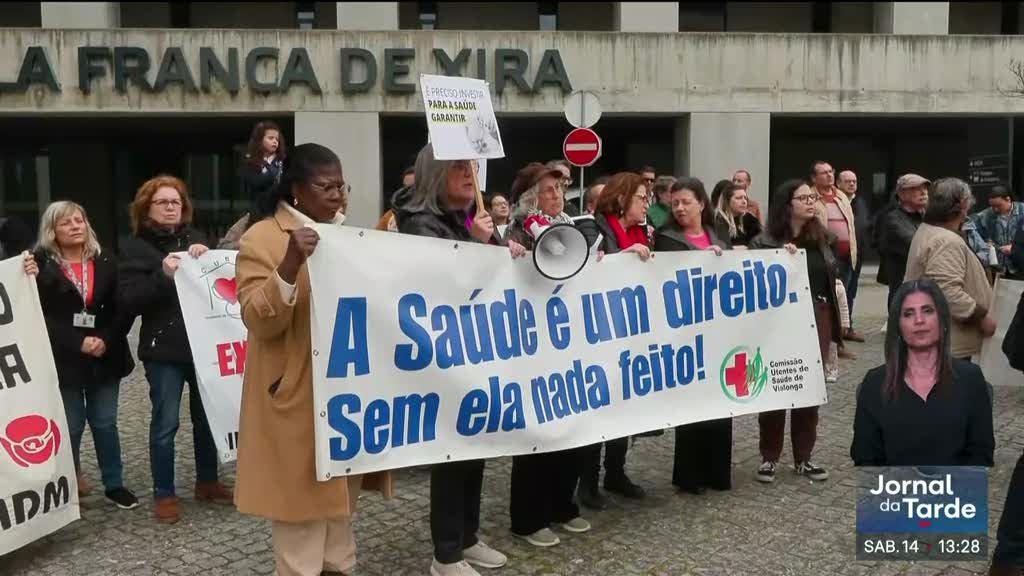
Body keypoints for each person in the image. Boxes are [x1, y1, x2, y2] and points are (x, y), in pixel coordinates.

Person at [234, 143, 391, 576]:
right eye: (327, 186)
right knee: (301, 538)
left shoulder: (348, 236)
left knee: (339, 530)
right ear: (297, 189)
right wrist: (288, 265)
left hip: (344, 405)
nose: (338, 195)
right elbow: (256, 318)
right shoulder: (262, 237)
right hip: (297, 404)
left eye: (342, 186)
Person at [392, 143, 518, 576]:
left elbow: (495, 274)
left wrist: (502, 248)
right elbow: (442, 282)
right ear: (434, 176)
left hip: (475, 350)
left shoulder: (468, 219)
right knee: (451, 450)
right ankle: (445, 554)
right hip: (440, 356)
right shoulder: (419, 223)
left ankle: (467, 536)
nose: (470, 174)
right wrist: (476, 242)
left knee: (474, 444)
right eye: (458, 168)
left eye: (471, 167)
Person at [119, 175, 232, 524]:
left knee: (205, 420)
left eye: (176, 203)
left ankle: (207, 481)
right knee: (165, 424)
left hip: (201, 348)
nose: (171, 208)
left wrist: (206, 257)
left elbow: (215, 283)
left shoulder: (197, 238)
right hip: (163, 352)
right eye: (163, 202)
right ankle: (164, 494)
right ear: (146, 208)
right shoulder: (134, 247)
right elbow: (129, 300)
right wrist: (161, 275)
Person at [503, 163, 592, 547]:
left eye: (559, 189)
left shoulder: (570, 224)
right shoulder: (518, 230)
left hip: (569, 341)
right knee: (536, 434)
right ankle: (527, 518)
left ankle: (562, 504)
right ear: (530, 198)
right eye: (549, 190)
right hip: (533, 345)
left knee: (571, 430)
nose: (557, 195)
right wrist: (509, 254)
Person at [33, 201, 138, 509]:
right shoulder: (39, 266)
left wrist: (104, 338)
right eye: (67, 223)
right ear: (52, 231)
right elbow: (39, 314)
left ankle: (114, 483)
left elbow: (123, 307)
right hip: (64, 357)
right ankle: (69, 479)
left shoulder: (106, 260)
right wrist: (76, 342)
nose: (76, 226)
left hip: (106, 355)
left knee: (105, 422)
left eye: (80, 220)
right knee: (72, 424)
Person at [749, 179, 838, 484]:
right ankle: (769, 457)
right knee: (776, 387)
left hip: (817, 316)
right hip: (780, 322)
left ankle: (804, 458)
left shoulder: (822, 239)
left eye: (813, 197)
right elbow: (754, 281)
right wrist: (778, 259)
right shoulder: (765, 241)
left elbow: (830, 279)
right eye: (804, 198)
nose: (811, 202)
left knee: (808, 390)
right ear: (788, 205)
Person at [850, 279, 994, 467]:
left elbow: (980, 454)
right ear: (898, 326)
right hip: (893, 493)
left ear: (942, 319)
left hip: (955, 493)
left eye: (927, 311)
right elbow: (866, 459)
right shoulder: (875, 383)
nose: (919, 320)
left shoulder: (971, 379)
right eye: (909, 314)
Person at [577, 171, 654, 509]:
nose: (646, 203)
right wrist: (624, 258)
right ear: (622, 199)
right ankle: (588, 481)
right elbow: (589, 268)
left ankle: (616, 471)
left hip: (631, 332)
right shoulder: (593, 227)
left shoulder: (644, 233)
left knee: (626, 406)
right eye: (641, 197)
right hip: (599, 335)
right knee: (600, 409)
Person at [652, 177, 732, 495]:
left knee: (720, 400)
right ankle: (690, 475)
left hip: (718, 329)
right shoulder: (667, 238)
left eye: (686, 201)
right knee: (693, 403)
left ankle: (717, 472)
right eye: (675, 204)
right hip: (687, 332)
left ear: (701, 203)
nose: (681, 208)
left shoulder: (719, 234)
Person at [904, 177, 995, 360]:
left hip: (937, 339)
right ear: (962, 205)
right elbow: (946, 290)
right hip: (948, 341)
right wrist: (981, 317)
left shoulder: (929, 230)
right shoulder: (945, 240)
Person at [810, 161, 863, 343]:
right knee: (829, 296)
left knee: (845, 295)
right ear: (814, 178)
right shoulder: (811, 198)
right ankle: (829, 336)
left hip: (847, 255)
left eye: (831, 172)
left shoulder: (841, 196)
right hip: (826, 255)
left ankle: (843, 331)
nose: (829, 175)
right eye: (824, 173)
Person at [878, 174, 929, 306]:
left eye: (925, 188)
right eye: (916, 188)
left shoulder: (927, 216)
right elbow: (919, 246)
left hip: (923, 288)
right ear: (902, 194)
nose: (923, 192)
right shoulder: (893, 219)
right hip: (904, 291)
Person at [837, 170, 870, 335]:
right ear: (839, 183)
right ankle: (839, 328)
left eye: (854, 181)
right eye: (848, 181)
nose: (852, 184)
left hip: (857, 254)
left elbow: (863, 225)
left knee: (851, 291)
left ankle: (848, 326)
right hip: (841, 256)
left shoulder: (860, 202)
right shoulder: (836, 202)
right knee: (841, 291)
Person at [971, 185, 1024, 278]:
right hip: (997, 268)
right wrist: (985, 245)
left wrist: (1015, 248)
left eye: (999, 206)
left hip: (1020, 265)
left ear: (1008, 199)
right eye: (992, 206)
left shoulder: (1022, 211)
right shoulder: (984, 216)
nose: (995, 209)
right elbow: (975, 237)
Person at [240, 120, 286, 212]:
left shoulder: (283, 161)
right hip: (258, 210)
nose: (275, 142)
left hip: (281, 209)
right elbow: (256, 181)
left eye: (277, 139)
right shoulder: (250, 161)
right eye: (270, 138)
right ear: (259, 140)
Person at [712, 179, 762, 247]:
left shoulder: (749, 219)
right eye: (738, 198)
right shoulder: (718, 220)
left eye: (745, 198)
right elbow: (724, 246)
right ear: (727, 201)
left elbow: (762, 240)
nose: (744, 202)